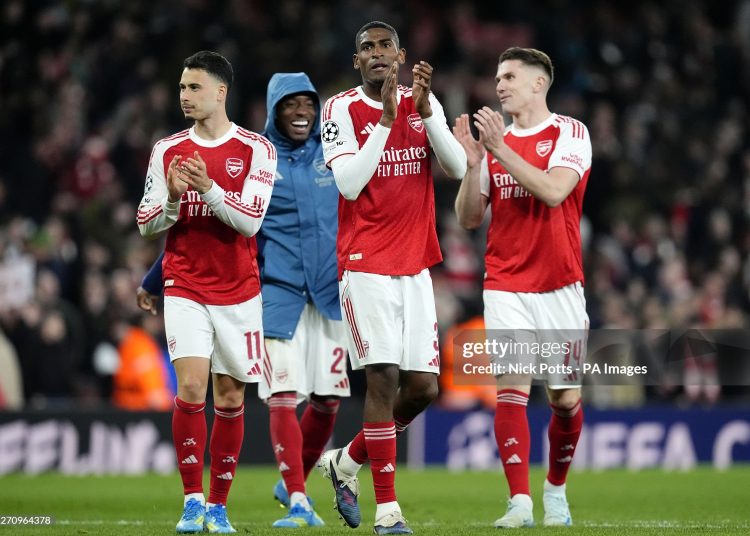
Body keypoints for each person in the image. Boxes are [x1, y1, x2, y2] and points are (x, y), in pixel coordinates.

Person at [137, 72, 349, 529]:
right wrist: (155, 279)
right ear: (274, 108)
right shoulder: (253, 155)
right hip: (273, 291)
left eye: (308, 104)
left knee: (325, 401)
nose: (301, 113)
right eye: (290, 104)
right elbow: (182, 225)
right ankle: (274, 499)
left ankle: (285, 481)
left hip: (323, 295)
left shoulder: (327, 158)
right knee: (236, 391)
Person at [317, 21, 467, 535]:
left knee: (423, 388)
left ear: (400, 55)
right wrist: (385, 120)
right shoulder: (339, 109)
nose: (377, 54)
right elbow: (349, 183)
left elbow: (459, 169)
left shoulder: (424, 101)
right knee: (381, 378)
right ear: (356, 60)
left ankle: (346, 462)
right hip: (364, 263)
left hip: (415, 265)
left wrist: (426, 113)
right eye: (367, 48)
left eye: (386, 46)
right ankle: (388, 513)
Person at [136, 50, 276, 534]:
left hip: (239, 290)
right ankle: (193, 501)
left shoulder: (256, 148)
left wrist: (210, 188)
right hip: (185, 284)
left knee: (231, 397)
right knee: (192, 386)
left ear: (221, 91)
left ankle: (219, 506)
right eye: (180, 88)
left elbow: (250, 220)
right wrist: (174, 197)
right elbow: (145, 224)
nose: (184, 96)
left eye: (194, 87)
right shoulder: (166, 150)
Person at [454, 47, 591, 528]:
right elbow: (470, 218)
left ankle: (555, 490)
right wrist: (474, 164)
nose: (500, 85)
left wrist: (498, 151)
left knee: (565, 401)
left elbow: (554, 191)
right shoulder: (497, 145)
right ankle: (520, 502)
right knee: (510, 389)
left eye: (510, 76)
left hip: (559, 285)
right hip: (506, 283)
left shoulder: (570, 133)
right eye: (497, 77)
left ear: (539, 83)